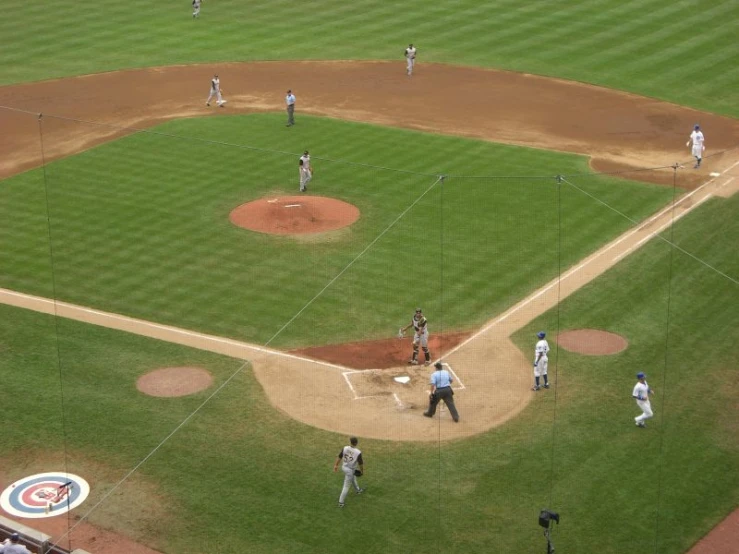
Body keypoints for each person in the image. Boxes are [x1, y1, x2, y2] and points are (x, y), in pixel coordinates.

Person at [333, 437, 364, 508]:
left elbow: (339, 457)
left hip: (344, 467)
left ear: (350, 442)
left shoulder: (345, 448)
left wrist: (336, 465)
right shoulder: (358, 452)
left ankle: (358, 490)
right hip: (350, 470)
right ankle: (341, 502)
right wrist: (362, 471)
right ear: (356, 443)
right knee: (346, 486)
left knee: (353, 478)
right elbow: (360, 464)